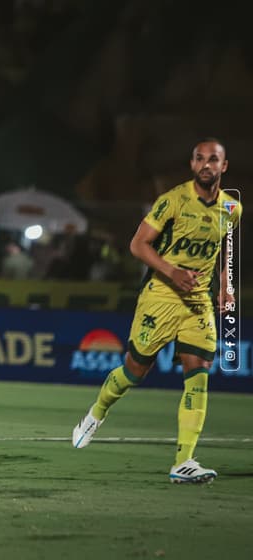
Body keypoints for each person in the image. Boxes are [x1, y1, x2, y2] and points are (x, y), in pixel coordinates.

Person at [72, 138, 242, 484]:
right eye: (200, 159)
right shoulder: (173, 201)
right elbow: (138, 244)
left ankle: (184, 461)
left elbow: (226, 246)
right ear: (192, 165)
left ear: (224, 166)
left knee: (199, 373)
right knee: (135, 371)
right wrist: (173, 271)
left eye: (214, 159)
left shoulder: (231, 209)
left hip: (197, 303)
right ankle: (97, 412)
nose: (206, 165)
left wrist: (226, 283)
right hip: (161, 297)